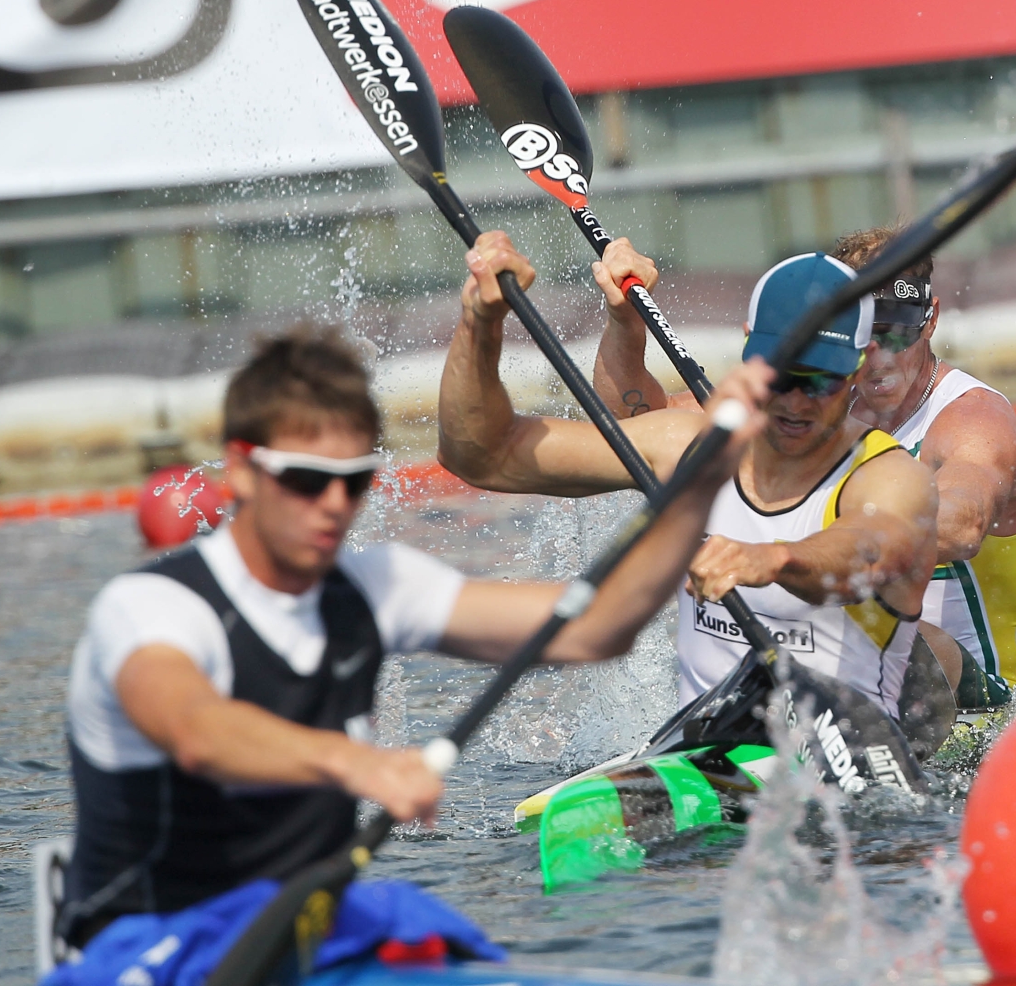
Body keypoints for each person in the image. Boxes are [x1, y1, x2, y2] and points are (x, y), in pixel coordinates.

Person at [60, 322, 770, 948]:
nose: (333, 506)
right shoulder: (152, 607)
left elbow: (597, 628)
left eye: (354, 481)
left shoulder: (376, 587)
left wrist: (701, 481)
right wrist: (355, 765)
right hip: (150, 941)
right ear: (242, 470)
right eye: (307, 480)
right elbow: (196, 730)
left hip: (310, 936)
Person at [439, 233, 937, 717]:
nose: (796, 403)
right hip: (703, 751)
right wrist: (481, 325)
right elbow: (483, 455)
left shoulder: (891, 476)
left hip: (844, 757)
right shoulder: (685, 445)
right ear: (748, 345)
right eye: (782, 375)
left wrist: (774, 559)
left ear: (860, 366)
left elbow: (871, 552)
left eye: (821, 382)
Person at [590, 228, 1016, 710]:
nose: (881, 357)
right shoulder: (808, 407)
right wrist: (624, 322)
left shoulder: (973, 419)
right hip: (828, 684)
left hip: (975, 706)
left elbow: (963, 523)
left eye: (897, 333)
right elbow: (633, 423)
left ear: (930, 320)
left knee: (885, 628)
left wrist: (780, 546)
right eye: (868, 337)